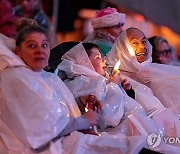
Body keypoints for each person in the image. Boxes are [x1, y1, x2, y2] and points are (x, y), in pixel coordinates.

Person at [56, 41, 180, 153]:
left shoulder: (98, 80)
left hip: (140, 125)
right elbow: (109, 117)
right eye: (98, 57)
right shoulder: (84, 83)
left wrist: (126, 90)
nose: (103, 60)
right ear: (84, 62)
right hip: (127, 131)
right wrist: (114, 86)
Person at [0, 18, 101, 153]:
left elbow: (54, 107)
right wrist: (83, 121)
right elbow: (42, 128)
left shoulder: (47, 76)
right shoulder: (16, 77)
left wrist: (80, 103)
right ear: (18, 50)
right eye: (32, 45)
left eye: (44, 45)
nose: (40, 51)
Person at [106, 27, 180, 117]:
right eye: (135, 43)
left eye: (144, 42)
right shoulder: (116, 76)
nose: (142, 46)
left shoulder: (154, 70)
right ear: (123, 47)